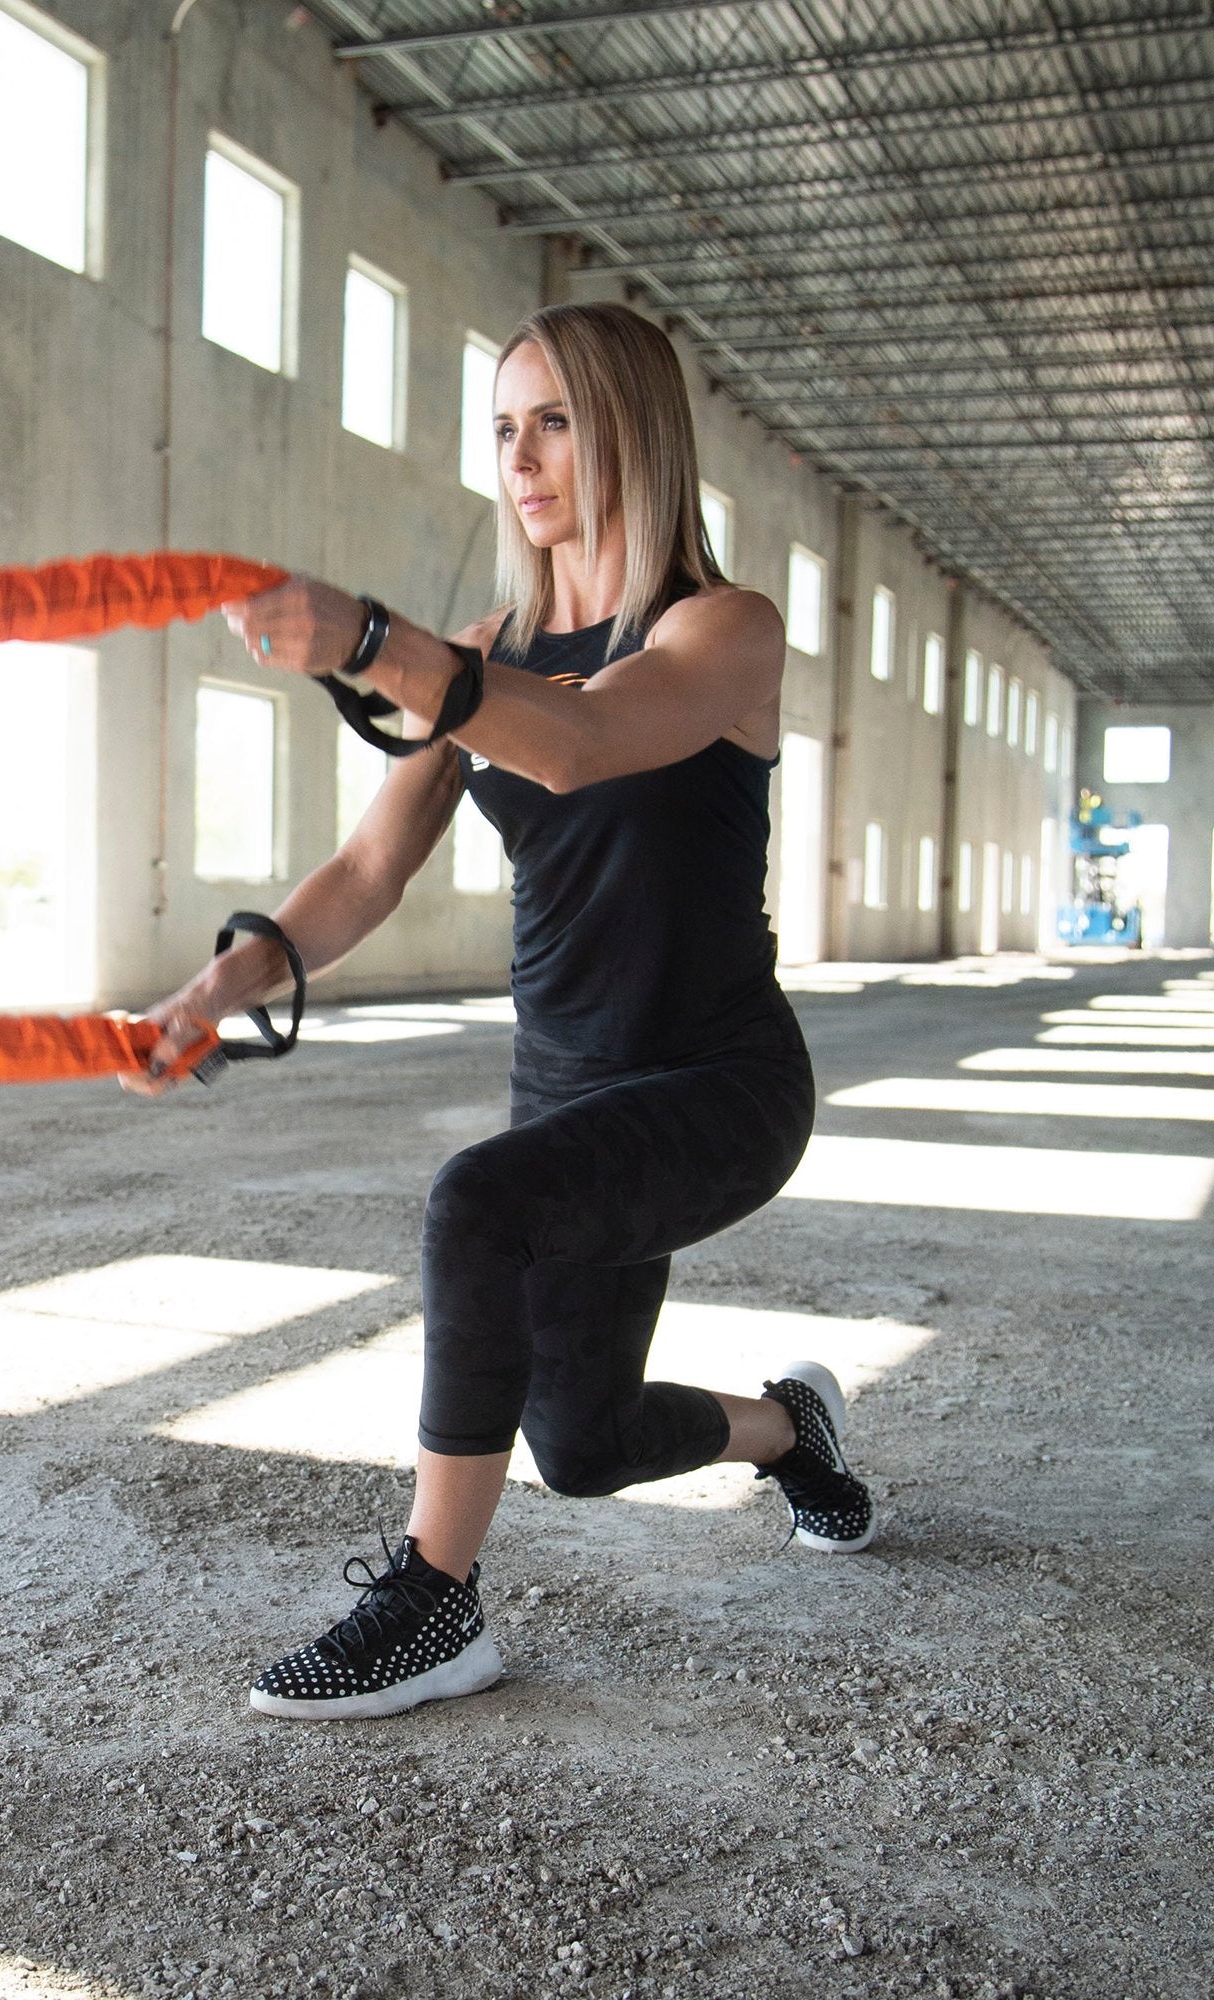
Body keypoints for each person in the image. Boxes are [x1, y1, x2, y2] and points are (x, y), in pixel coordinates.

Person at [130, 301, 874, 1722]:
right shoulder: (484, 646)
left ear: (633, 435)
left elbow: (581, 741)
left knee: (477, 1206)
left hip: (718, 1084)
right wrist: (219, 984)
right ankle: (794, 1434)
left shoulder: (723, 628)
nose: (523, 461)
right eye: (503, 429)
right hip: (573, 1086)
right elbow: (367, 867)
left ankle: (433, 1603)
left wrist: (374, 641)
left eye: (556, 423)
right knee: (583, 1442)